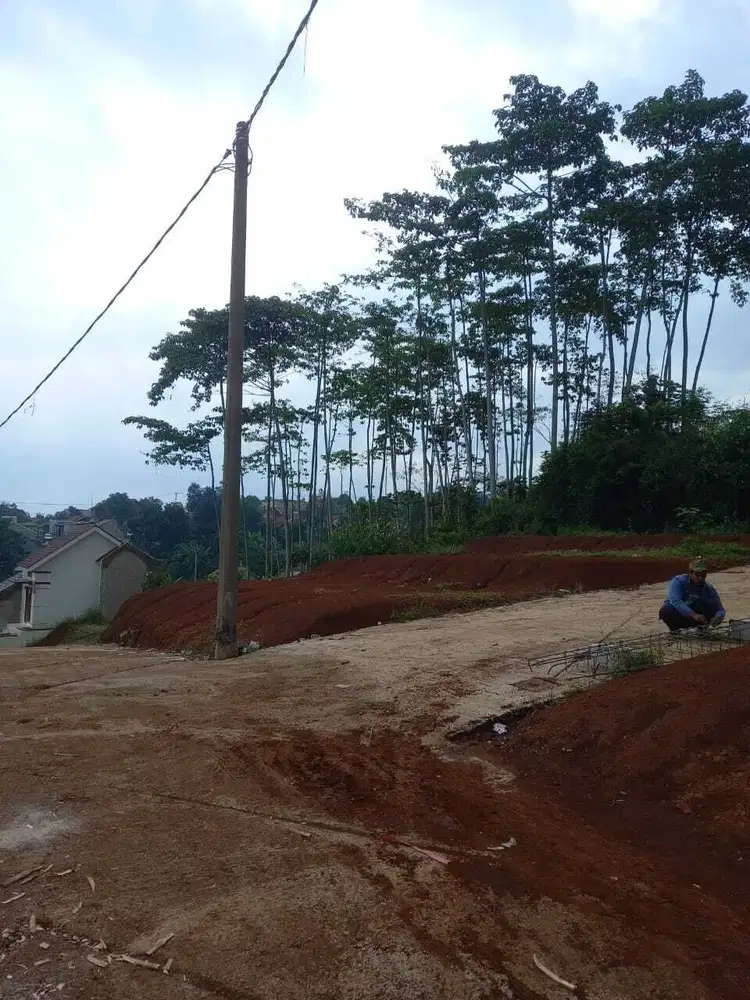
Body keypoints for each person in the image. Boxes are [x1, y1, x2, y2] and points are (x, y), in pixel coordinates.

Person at [658, 558, 726, 633]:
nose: (701, 578)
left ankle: (702, 628)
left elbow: (720, 609)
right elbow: (676, 601)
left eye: (703, 575)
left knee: (711, 605)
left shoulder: (709, 588)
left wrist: (719, 616)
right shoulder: (679, 581)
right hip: (681, 615)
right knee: (667, 609)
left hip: (696, 618)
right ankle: (675, 630)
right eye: (697, 574)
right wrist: (693, 615)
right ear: (690, 573)